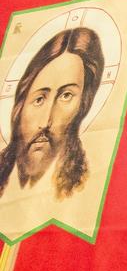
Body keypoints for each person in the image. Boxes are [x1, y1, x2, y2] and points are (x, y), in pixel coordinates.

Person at [0, 26, 105, 227]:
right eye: (39, 99)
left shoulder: (80, 190)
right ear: (20, 106)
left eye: (66, 96)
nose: (46, 121)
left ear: (83, 106)